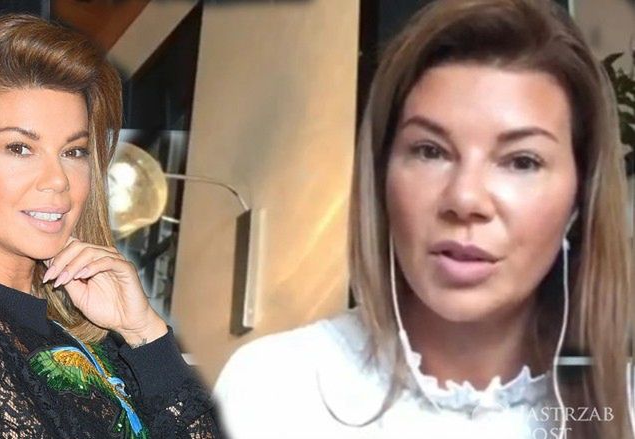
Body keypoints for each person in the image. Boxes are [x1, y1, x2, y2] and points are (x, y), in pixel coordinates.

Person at [214, 0, 633, 438]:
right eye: (430, 151)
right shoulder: (269, 389)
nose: (465, 198)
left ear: (580, 197)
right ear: (382, 177)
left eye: (521, 161)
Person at [0, 14, 221, 438]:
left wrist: (144, 332)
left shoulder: (82, 332)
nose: (58, 180)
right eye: (20, 148)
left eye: (74, 152)